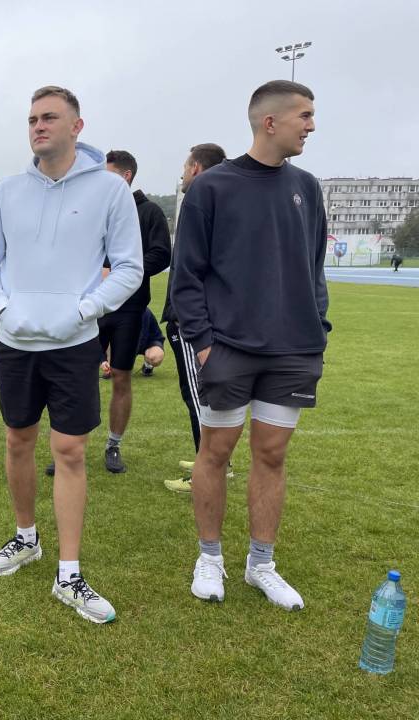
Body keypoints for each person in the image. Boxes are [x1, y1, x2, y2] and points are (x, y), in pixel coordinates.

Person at [0, 86, 142, 624]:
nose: (38, 126)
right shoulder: (8, 191)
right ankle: (27, 539)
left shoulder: (109, 190)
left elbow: (130, 268)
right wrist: (4, 308)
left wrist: (85, 310)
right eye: (32, 119)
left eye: (49, 117)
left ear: (76, 126)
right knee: (17, 441)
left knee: (69, 451)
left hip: (73, 343)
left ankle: (69, 573)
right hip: (16, 342)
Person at [172, 80, 329, 611]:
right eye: (304, 115)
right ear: (270, 121)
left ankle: (261, 564)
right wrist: (204, 344)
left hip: (293, 351)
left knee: (272, 454)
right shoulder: (212, 187)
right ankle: (209, 557)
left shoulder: (307, 187)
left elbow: (314, 268)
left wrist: (318, 329)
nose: (311, 126)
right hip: (229, 349)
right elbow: (186, 277)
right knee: (215, 452)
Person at [160, 143, 228, 493]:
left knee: (199, 394)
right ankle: (214, 460)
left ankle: (211, 469)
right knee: (205, 393)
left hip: (193, 320)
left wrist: (184, 316)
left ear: (197, 168)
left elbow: (191, 268)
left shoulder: (200, 198)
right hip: (205, 316)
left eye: (186, 167)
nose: (183, 174)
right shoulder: (224, 196)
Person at [99, 150, 171, 473]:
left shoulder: (149, 212)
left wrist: (119, 273)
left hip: (129, 310)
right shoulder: (96, 210)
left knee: (121, 377)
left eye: (108, 174)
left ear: (125, 176)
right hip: (91, 308)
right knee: (77, 376)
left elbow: (162, 254)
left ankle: (113, 445)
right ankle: (70, 445)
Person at [135, 307, 165, 376]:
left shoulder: (143, 311)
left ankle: (148, 365)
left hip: (149, 341)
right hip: (127, 341)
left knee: (155, 357)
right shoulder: (115, 310)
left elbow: (142, 337)